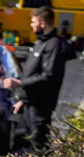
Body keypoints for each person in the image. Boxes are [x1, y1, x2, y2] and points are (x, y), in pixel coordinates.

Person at [20, 8, 73, 148]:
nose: (31, 25)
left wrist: (20, 83)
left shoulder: (53, 44)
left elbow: (48, 76)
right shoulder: (40, 43)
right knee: (28, 144)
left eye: (33, 22)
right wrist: (22, 98)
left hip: (41, 105)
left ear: (42, 23)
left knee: (38, 144)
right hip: (30, 102)